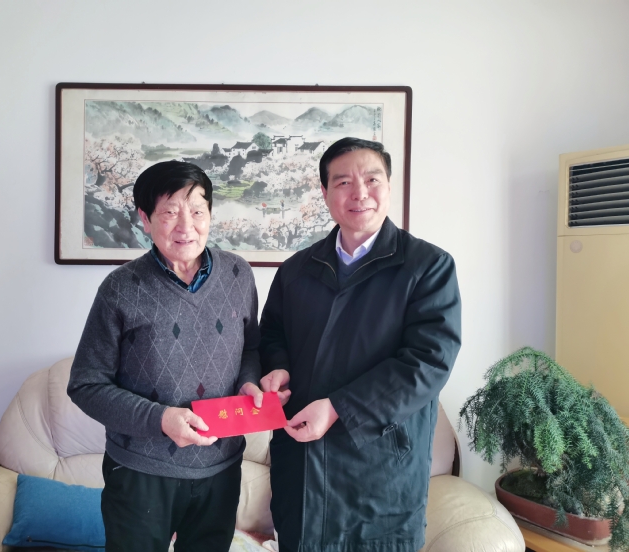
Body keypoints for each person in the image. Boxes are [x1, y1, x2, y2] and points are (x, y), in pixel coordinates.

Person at [259, 137, 461, 552]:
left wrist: (339, 408)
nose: (360, 193)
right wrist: (277, 368)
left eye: (372, 179)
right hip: (302, 467)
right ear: (325, 192)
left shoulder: (427, 267)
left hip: (381, 469)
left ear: (389, 185)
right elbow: (272, 335)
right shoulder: (296, 270)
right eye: (343, 182)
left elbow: (428, 362)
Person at [68, 160, 264, 552]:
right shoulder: (120, 288)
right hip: (140, 473)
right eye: (170, 213)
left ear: (210, 214)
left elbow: (251, 348)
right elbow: (85, 385)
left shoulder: (238, 275)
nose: (186, 226)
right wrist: (161, 419)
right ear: (145, 218)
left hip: (221, 468)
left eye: (197, 211)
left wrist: (249, 381)